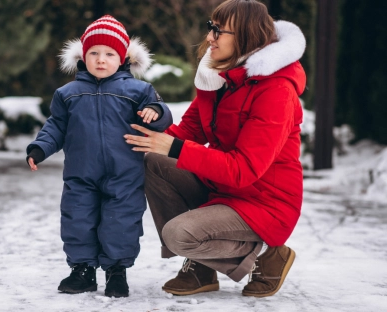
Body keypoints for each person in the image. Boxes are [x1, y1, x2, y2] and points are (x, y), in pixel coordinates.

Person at [124, 0, 306, 298]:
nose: (210, 37)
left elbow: (243, 170)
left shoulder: (276, 92)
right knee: (154, 161)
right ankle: (203, 267)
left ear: (247, 36)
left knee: (178, 234)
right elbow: (183, 134)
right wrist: (125, 137)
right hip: (223, 190)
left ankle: (267, 255)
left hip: (265, 203)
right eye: (212, 27)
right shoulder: (221, 80)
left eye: (219, 31)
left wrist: (176, 147)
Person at [26, 15, 173, 298]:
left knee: (121, 222)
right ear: (83, 56)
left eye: (109, 54)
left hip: (125, 174)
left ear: (123, 58)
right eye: (93, 53)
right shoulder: (68, 94)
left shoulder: (138, 91)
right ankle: (82, 270)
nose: (101, 59)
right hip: (81, 174)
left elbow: (161, 114)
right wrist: (39, 148)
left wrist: (155, 112)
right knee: (77, 219)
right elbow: (56, 126)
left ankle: (116, 271)